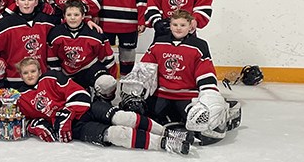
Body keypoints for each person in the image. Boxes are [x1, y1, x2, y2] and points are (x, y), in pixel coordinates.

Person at [16, 57, 193, 155]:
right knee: (117, 134)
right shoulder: (22, 97)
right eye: (26, 73)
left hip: (87, 108)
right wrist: (40, 127)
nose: (30, 75)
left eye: (33, 71)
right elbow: (30, 120)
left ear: (40, 71)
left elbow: (80, 94)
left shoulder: (51, 78)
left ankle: (166, 132)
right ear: (20, 75)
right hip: (76, 127)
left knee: (125, 117)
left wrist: (67, 112)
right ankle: (164, 143)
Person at [119, 10, 241, 146]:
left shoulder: (199, 45)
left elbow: (205, 72)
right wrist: (136, 89)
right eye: (175, 24)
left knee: (200, 124)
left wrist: (209, 94)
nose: (178, 28)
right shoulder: (159, 43)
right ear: (170, 26)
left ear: (190, 27)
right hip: (162, 94)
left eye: (183, 25)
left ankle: (226, 111)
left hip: (186, 95)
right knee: (141, 118)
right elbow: (144, 69)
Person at [0, 0, 60, 113]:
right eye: (23, 0)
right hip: (13, 78)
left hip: (38, 76)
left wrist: (87, 21)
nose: (26, 3)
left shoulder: (46, 21)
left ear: (36, 2)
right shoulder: (6, 23)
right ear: (16, 2)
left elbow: (70, 21)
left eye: (30, 0)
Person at [47, 0, 117, 102]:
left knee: (107, 82)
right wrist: (58, 80)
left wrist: (110, 84)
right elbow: (53, 60)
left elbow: (107, 59)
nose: (72, 18)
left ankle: (101, 99)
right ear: (64, 16)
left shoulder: (94, 34)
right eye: (69, 15)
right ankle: (83, 90)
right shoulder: (56, 34)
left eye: (76, 15)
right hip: (67, 72)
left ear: (83, 16)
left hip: (90, 68)